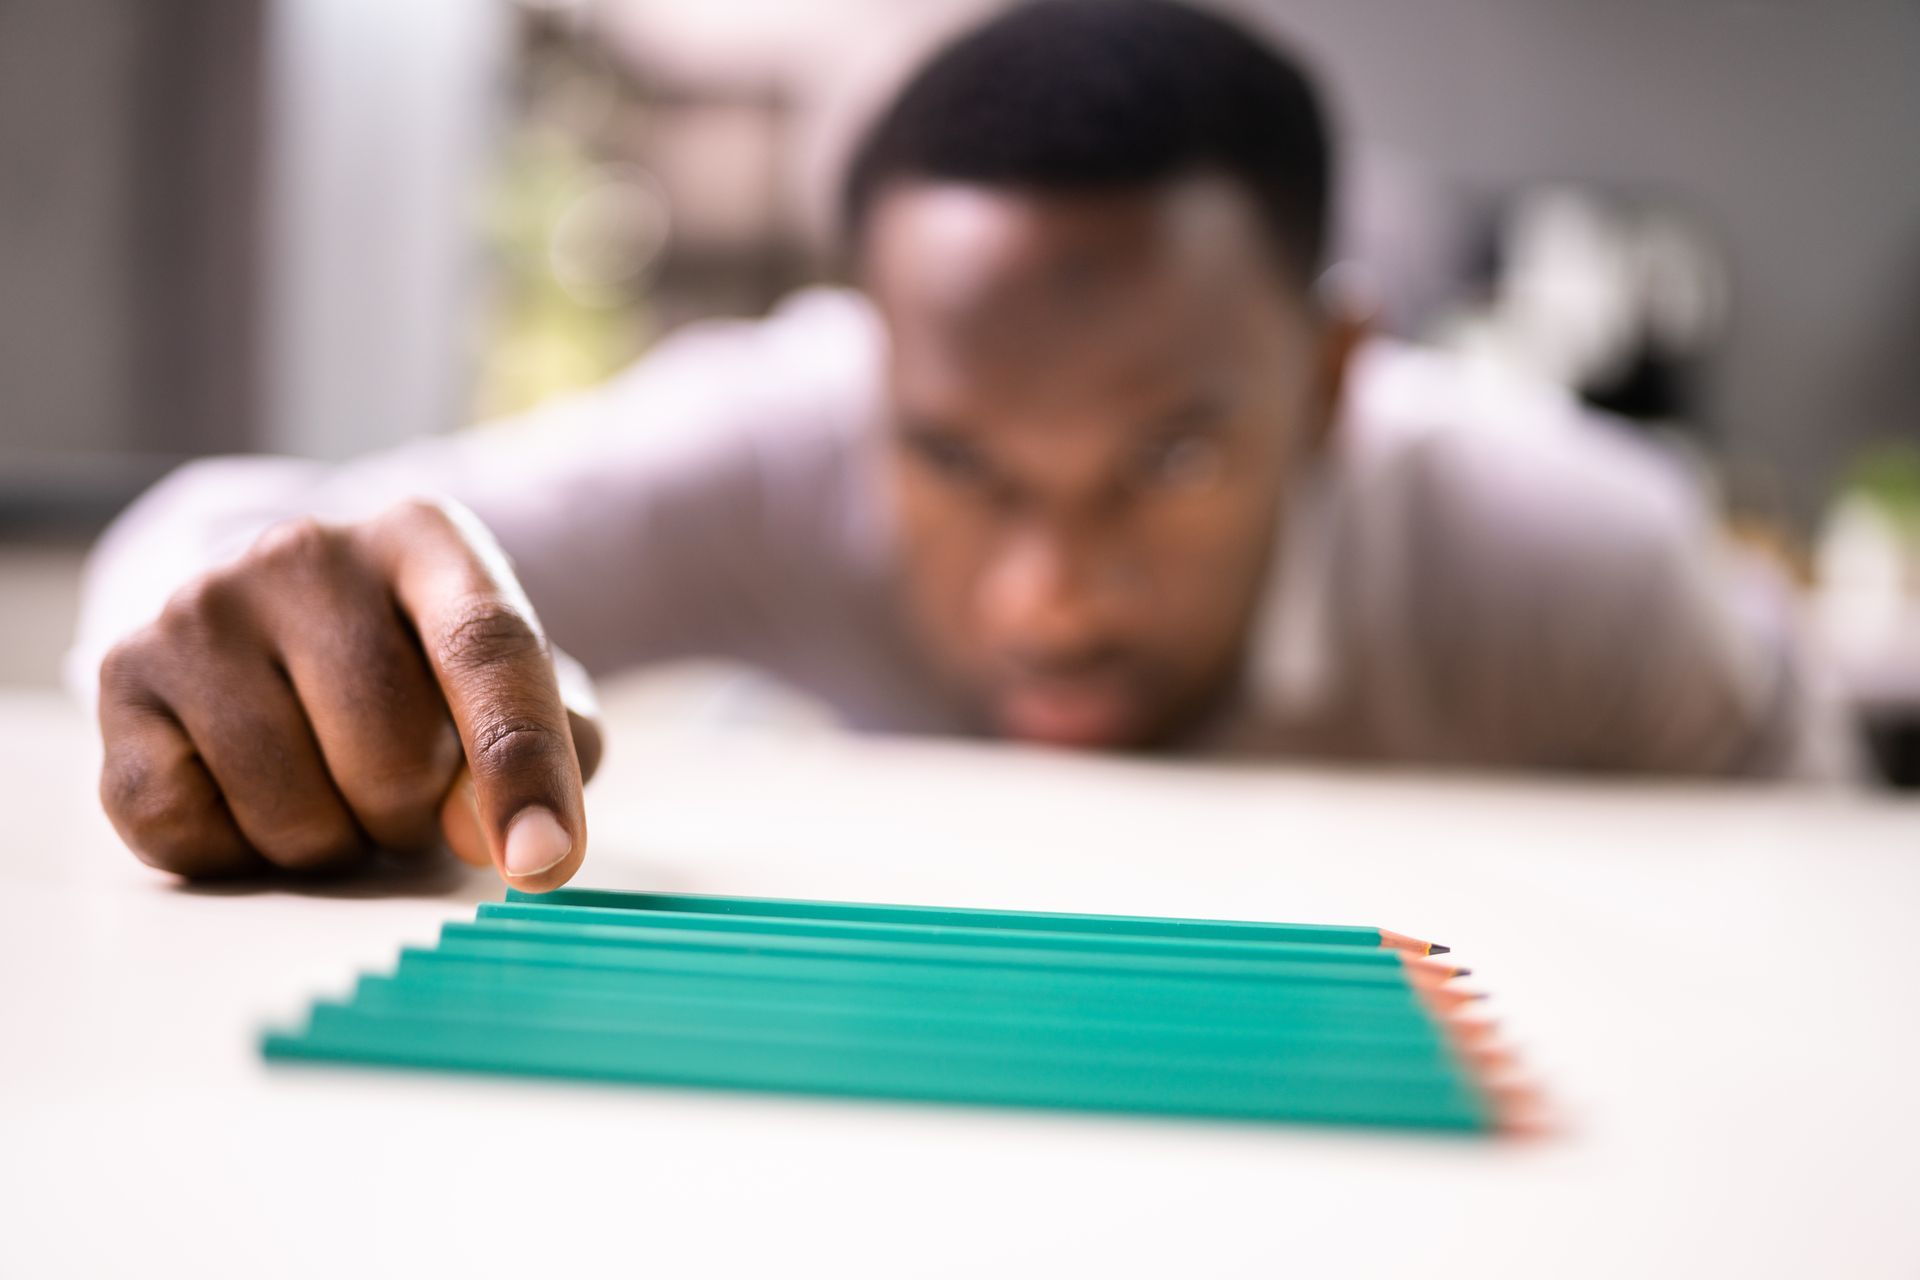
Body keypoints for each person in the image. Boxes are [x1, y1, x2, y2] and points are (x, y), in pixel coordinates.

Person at [70, 0, 1842, 892]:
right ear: (875, 367)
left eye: (1164, 462)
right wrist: (237, 629)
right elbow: (256, 536)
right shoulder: (787, 427)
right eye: (963, 465)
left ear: (1328, 382)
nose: (1047, 595)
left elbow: (1836, 911)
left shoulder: (1578, 559)